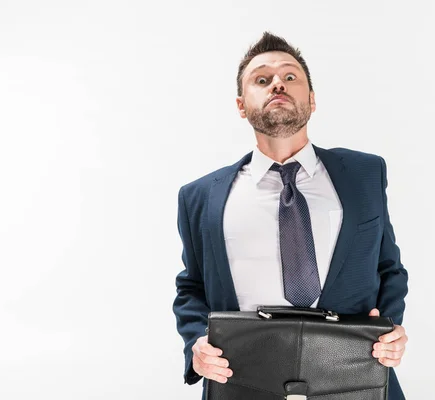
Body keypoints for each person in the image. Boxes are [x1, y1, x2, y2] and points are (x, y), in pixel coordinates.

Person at [173, 31, 409, 399]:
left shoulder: (365, 174)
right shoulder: (200, 197)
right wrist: (196, 344)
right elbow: (191, 288)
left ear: (312, 100)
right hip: (242, 378)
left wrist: (392, 327)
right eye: (262, 80)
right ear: (241, 104)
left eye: (290, 77)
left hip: (354, 376)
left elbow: (389, 269)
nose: (277, 85)